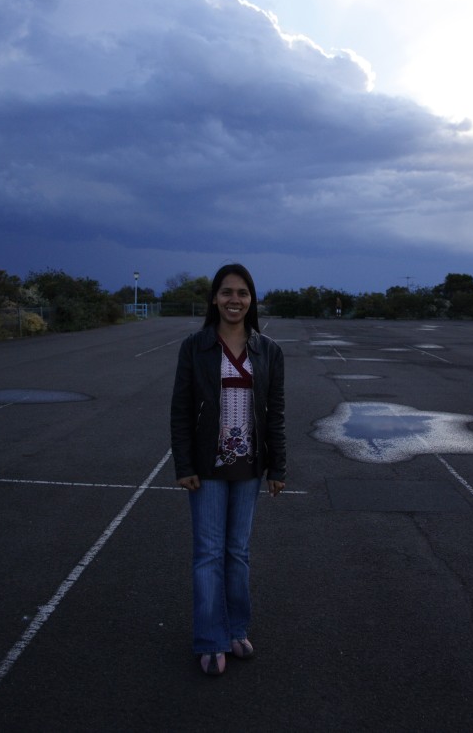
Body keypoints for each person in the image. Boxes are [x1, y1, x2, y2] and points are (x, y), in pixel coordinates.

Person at [170, 263, 286, 676]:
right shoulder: (195, 346)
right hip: (208, 466)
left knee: (237, 553)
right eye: (226, 292)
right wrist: (184, 464)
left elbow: (276, 415)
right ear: (214, 299)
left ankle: (236, 630)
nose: (234, 300)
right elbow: (181, 411)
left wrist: (278, 467)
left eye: (242, 293)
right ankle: (210, 639)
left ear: (251, 299)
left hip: (250, 466)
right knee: (207, 554)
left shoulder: (268, 350)